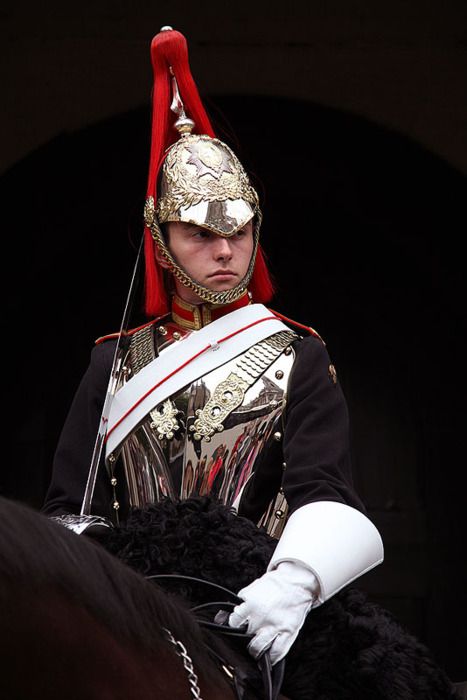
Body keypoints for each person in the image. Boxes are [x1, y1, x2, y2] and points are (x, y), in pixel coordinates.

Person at [43, 27, 383, 668]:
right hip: (129, 613)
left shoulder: (297, 352)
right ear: (161, 240)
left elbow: (325, 492)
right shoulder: (112, 359)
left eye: (240, 230)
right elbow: (68, 507)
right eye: (200, 233)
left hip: (261, 609)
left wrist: (293, 585)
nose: (225, 251)